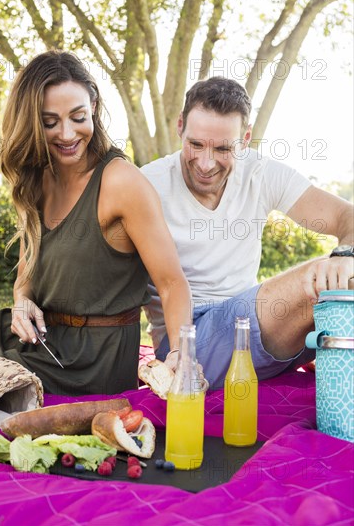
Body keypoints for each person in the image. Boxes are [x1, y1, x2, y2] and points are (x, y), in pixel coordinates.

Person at [0, 50, 192, 396]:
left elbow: (172, 283)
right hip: (42, 340)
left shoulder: (121, 182)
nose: (67, 134)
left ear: (94, 106)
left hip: (91, 359)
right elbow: (26, 277)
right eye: (50, 122)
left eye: (78, 116)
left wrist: (181, 354)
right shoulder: (37, 177)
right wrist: (23, 302)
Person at [141, 77, 354, 390]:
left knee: (343, 275)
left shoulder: (259, 172)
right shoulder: (147, 185)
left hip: (251, 327)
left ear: (245, 139)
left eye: (224, 148)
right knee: (317, 277)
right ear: (180, 126)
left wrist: (345, 256)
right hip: (188, 340)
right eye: (195, 144)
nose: (205, 162)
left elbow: (344, 215)